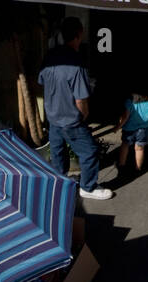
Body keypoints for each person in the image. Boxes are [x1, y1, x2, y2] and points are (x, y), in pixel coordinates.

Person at [38, 17, 112, 201]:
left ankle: (60, 182)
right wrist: (84, 114)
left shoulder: (50, 56)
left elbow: (40, 82)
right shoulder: (76, 64)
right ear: (79, 35)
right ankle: (88, 187)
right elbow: (81, 99)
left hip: (53, 116)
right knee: (89, 152)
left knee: (58, 151)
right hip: (70, 119)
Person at [116, 91, 148, 176]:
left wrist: (117, 127)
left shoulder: (129, 101)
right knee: (139, 149)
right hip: (143, 129)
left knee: (125, 145)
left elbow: (125, 117)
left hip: (129, 129)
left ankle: (121, 165)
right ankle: (138, 168)